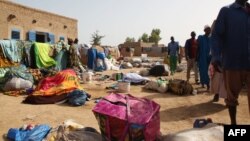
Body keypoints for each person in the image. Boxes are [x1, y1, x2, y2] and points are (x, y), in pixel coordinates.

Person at [211, 0, 250, 125]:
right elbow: (217, 35)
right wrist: (216, 57)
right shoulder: (227, 11)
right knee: (232, 98)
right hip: (233, 62)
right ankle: (234, 126)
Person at [197, 25, 212, 90]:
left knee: (210, 71)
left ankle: (208, 84)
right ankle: (204, 83)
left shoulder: (211, 38)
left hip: (210, 57)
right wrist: (196, 56)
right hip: (202, 57)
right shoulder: (201, 38)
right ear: (205, 30)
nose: (209, 30)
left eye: (210, 29)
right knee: (203, 70)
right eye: (208, 29)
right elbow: (197, 47)